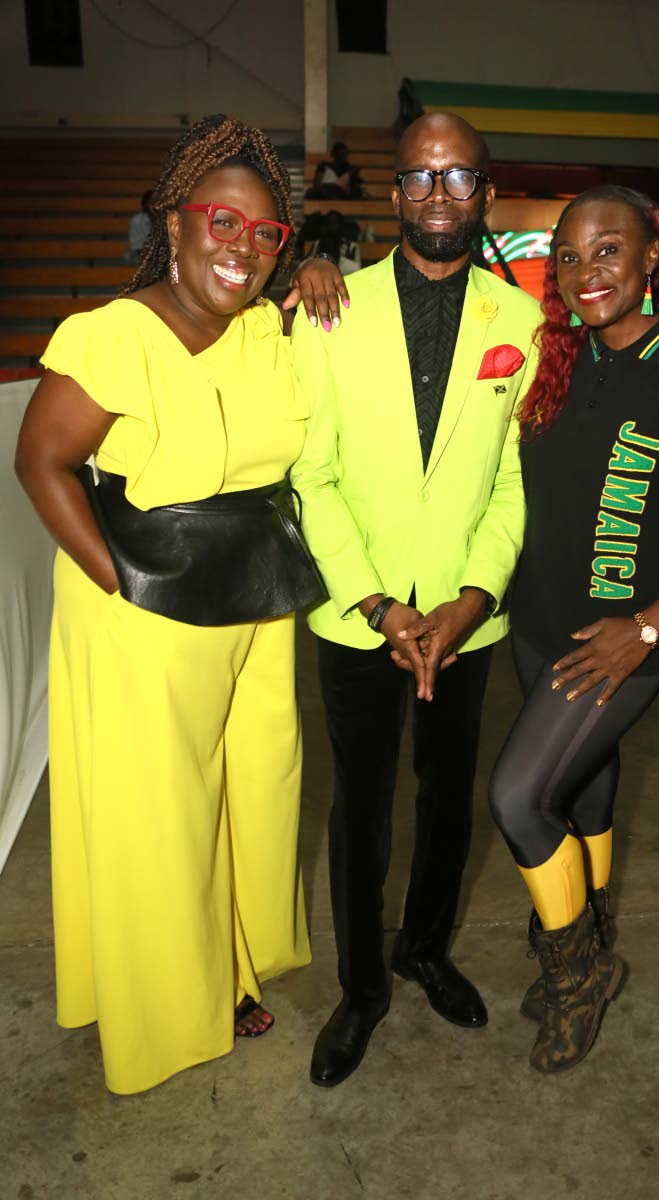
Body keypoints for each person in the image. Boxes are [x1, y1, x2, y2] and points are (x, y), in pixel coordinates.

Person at [14, 114, 337, 1095]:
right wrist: (117, 583)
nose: (241, 246)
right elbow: (41, 462)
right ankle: (168, 1008)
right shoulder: (116, 333)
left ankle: (231, 961)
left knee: (254, 788)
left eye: (265, 233)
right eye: (220, 222)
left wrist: (319, 268)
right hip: (147, 604)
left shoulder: (267, 330)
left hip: (257, 598)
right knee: (164, 813)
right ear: (175, 221)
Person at [488, 185, 659, 1076]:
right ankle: (595, 934)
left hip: (627, 640)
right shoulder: (557, 356)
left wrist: (644, 629)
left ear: (653, 256)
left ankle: (578, 975)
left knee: (519, 798)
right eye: (568, 256)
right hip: (538, 619)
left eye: (607, 250)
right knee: (585, 788)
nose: (586, 271)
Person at [290, 111, 540, 1088]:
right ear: (395, 193)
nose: (439, 193)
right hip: (360, 616)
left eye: (459, 176)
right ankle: (361, 989)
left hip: (467, 618)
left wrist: (471, 600)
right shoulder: (330, 308)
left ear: (485, 194)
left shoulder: (521, 322)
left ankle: (424, 949)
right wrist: (376, 604)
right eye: (421, 176)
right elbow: (312, 476)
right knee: (359, 808)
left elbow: (512, 481)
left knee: (447, 797)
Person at [308, 210, 362, 276]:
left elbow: (357, 269)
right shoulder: (318, 243)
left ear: (340, 224)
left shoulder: (351, 246)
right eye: (329, 222)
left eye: (335, 222)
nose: (332, 225)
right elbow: (309, 261)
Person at [125, 189, 154, 264]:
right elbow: (136, 247)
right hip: (139, 256)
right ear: (146, 205)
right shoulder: (136, 221)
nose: (156, 206)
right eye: (152, 203)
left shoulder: (167, 219)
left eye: (159, 202)